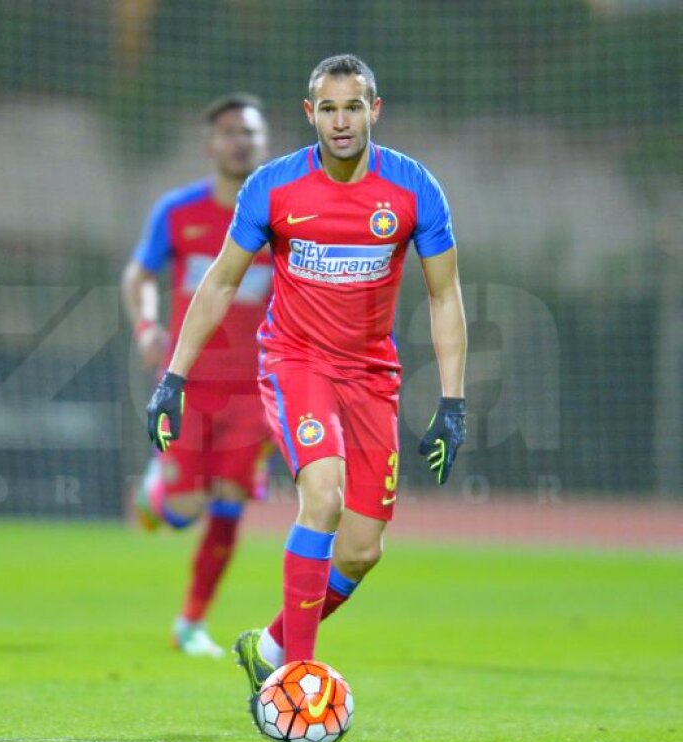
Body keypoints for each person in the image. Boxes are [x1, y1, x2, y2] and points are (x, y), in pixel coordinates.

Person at [145, 55, 468, 697]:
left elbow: (444, 295)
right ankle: (295, 682)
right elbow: (221, 282)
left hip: (373, 376)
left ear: (375, 109)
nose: (341, 121)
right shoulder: (272, 186)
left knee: (360, 552)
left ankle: (267, 646)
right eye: (328, 108)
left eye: (353, 107)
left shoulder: (413, 188)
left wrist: (453, 402)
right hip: (297, 362)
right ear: (309, 113)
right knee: (321, 498)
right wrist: (173, 379)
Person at [123, 94, 274, 658]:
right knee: (184, 513)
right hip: (187, 380)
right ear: (211, 145)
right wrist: (146, 325)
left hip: (257, 387)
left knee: (232, 498)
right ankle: (157, 490)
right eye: (230, 132)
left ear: (264, 142)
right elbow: (138, 273)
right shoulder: (178, 211)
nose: (241, 141)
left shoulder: (282, 218)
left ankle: (190, 624)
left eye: (250, 132)